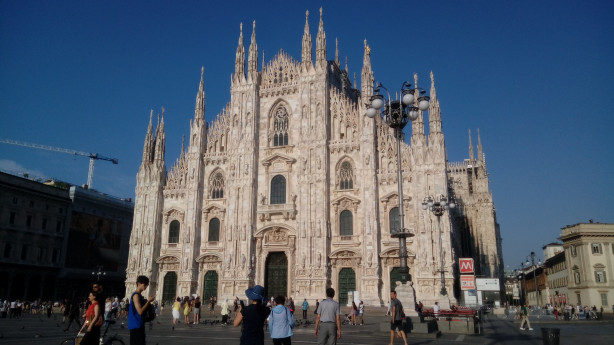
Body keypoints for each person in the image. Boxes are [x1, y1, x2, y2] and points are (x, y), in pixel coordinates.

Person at [128, 275, 156, 345]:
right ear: (139, 283)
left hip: (139, 324)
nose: (146, 286)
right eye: (145, 284)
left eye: (147, 284)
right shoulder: (135, 295)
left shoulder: (139, 295)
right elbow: (140, 311)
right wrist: (148, 301)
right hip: (135, 325)